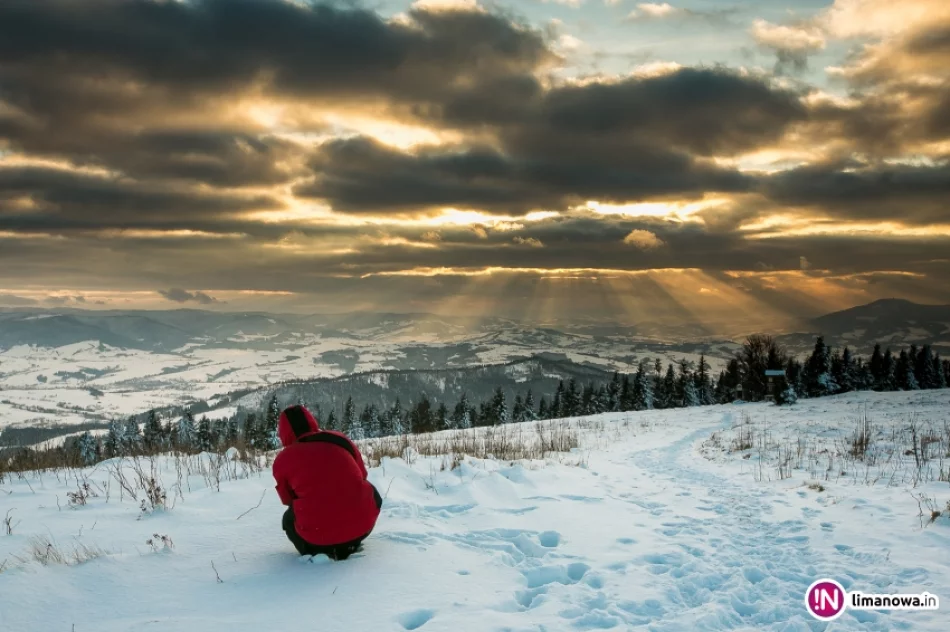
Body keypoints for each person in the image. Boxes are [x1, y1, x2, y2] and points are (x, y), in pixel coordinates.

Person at [272, 404, 382, 560]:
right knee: (371, 492)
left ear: (283, 433)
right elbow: (362, 474)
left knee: (289, 519)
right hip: (362, 529)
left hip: (316, 542)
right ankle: (350, 540)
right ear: (311, 421)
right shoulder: (339, 439)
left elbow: (287, 499)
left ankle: (319, 550)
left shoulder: (282, 460)